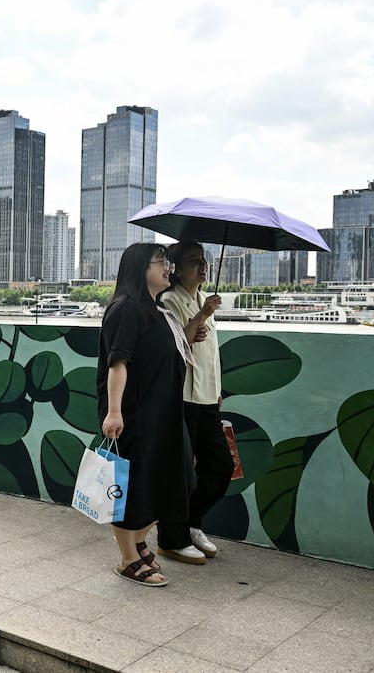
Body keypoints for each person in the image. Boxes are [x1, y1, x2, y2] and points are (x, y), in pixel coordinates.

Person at [97, 243, 194, 587]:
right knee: (132, 486)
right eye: (161, 262)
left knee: (174, 479)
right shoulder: (125, 309)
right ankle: (127, 558)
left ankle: (138, 542)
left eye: (168, 262)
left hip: (164, 413)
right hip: (134, 415)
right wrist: (113, 412)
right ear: (141, 268)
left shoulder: (156, 310)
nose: (168, 267)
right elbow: (118, 362)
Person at [157, 241, 233, 564]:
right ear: (176, 269)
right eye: (193, 261)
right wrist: (202, 315)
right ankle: (171, 538)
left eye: (203, 261)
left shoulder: (205, 300)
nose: (202, 266)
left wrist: (217, 388)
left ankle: (191, 523)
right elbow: (175, 347)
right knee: (180, 471)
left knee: (221, 467)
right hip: (182, 398)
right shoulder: (169, 301)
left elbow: (209, 352)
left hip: (206, 399)